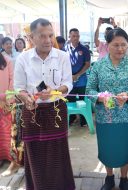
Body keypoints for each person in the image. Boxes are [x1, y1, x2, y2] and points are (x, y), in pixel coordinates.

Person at [14, 18, 75, 190]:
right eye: (42, 36)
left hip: (56, 110)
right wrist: (25, 98)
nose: (48, 40)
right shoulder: (23, 59)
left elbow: (68, 84)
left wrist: (55, 91)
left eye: (50, 35)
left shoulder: (62, 56)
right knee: (35, 152)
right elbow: (18, 88)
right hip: (31, 111)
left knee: (57, 152)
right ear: (31, 37)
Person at [86, 28, 128, 190]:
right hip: (105, 116)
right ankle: (109, 178)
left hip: (127, 116)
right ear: (108, 45)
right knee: (107, 148)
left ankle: (124, 179)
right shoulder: (98, 66)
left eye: (124, 45)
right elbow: (89, 90)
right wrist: (100, 97)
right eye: (116, 45)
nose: (120, 49)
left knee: (125, 147)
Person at [64, 28, 90, 127]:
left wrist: (77, 75)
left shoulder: (84, 49)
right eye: (73, 36)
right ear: (69, 37)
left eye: (77, 36)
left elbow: (87, 64)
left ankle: (83, 120)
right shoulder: (65, 49)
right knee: (70, 99)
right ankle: (72, 117)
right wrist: (69, 76)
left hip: (81, 79)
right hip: (69, 79)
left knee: (82, 100)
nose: (76, 38)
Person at [0, 52, 21, 177]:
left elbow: (13, 81)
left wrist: (6, 100)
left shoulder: (7, 60)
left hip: (8, 104)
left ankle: (11, 160)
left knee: (8, 133)